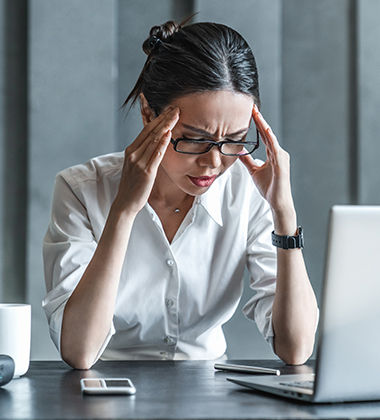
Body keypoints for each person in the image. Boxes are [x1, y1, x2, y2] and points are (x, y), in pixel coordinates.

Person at [42, 19, 318, 370]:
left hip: (212, 393)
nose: (213, 162)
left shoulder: (250, 193)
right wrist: (124, 211)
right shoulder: (80, 190)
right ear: (148, 114)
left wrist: (284, 214)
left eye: (234, 140)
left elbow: (296, 348)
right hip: (107, 389)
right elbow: (79, 352)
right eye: (195, 138)